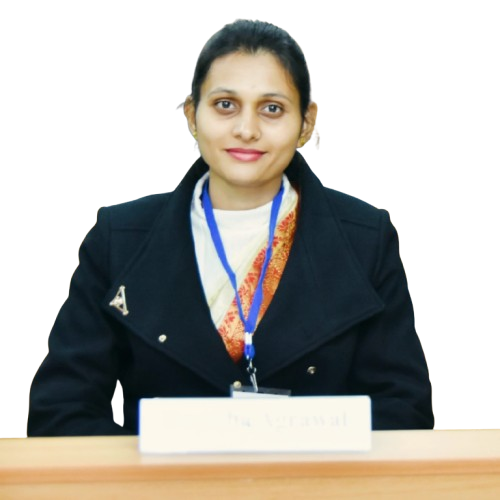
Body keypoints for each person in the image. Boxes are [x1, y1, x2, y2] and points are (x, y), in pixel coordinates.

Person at [27, 19, 433, 436]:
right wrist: (156, 470)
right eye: (225, 104)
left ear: (307, 121)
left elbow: (403, 411)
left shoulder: (365, 239)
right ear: (192, 115)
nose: (246, 129)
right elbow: (61, 410)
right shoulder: (119, 238)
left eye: (272, 108)